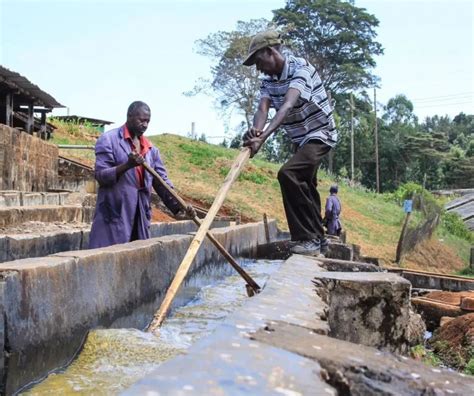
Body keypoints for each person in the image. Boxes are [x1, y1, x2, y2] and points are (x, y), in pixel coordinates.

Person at [242, 30, 338, 256]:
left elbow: (286, 106)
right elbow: (262, 109)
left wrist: (263, 138)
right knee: (306, 185)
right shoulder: (267, 82)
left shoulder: (300, 69)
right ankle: (319, 239)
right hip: (299, 138)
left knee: (288, 174)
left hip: (319, 133)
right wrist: (256, 132)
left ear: (270, 52)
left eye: (258, 61)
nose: (258, 68)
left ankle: (306, 239)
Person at [89, 101, 194, 249]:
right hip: (115, 214)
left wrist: (180, 207)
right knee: (107, 259)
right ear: (129, 116)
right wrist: (127, 165)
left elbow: (162, 183)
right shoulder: (109, 140)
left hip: (140, 216)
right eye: (141, 120)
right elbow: (101, 175)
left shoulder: (151, 150)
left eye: (148, 121)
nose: (145, 125)